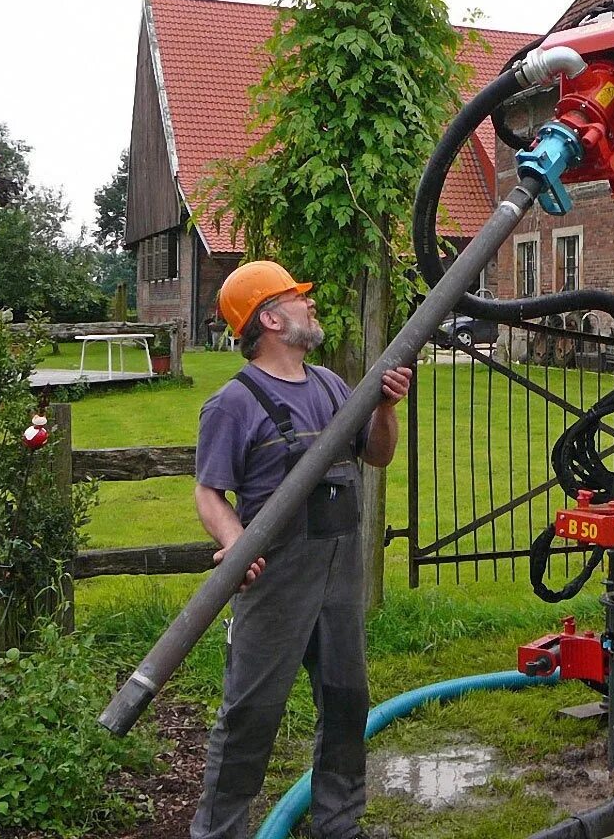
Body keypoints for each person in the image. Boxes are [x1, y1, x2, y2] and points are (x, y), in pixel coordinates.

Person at [191, 260, 412, 839]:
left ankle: (339, 825)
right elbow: (208, 492)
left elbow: (379, 456)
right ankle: (218, 833)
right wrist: (235, 541)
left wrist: (386, 408)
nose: (309, 304)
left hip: (339, 573)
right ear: (269, 317)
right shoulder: (232, 403)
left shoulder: (332, 386)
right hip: (276, 580)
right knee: (250, 716)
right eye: (297, 298)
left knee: (346, 703)